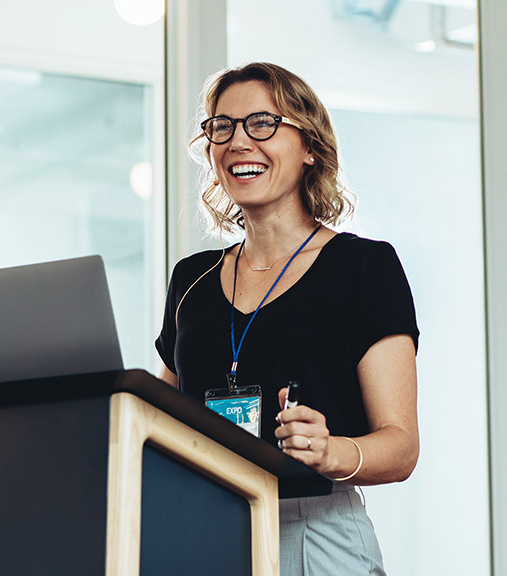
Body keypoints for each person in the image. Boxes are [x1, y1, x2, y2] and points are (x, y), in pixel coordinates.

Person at [155, 62, 419, 575]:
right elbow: (162, 420)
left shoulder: (364, 267)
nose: (237, 142)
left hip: (312, 530)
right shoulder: (191, 279)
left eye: (262, 124)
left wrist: (330, 450)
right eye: (221, 127)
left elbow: (401, 446)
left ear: (310, 146)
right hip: (202, 527)